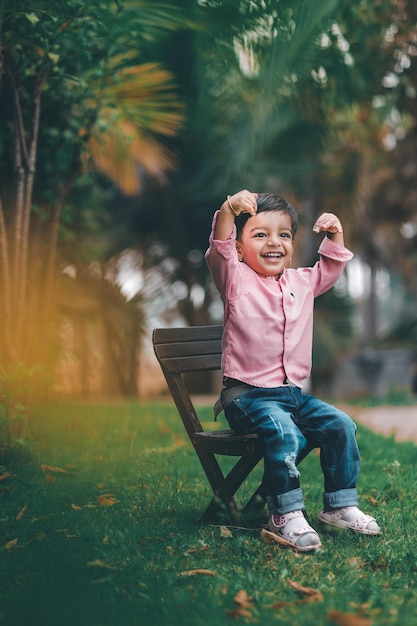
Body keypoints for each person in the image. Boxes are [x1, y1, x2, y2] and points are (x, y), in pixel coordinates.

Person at [205, 189, 380, 552]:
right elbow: (219, 245)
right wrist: (228, 210)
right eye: (260, 234)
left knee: (340, 425)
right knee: (285, 433)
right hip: (246, 396)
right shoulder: (235, 280)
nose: (274, 243)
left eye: (283, 235)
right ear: (239, 247)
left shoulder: (301, 282)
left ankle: (340, 506)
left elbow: (330, 267)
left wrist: (335, 233)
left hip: (291, 396)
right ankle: (284, 514)